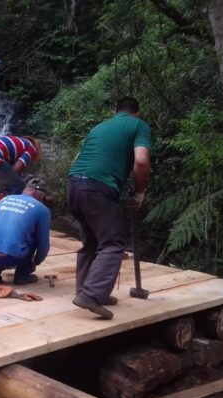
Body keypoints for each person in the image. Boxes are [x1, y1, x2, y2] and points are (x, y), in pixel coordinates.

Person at [67, 96, 152, 319]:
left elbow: (78, 157)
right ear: (137, 112)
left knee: (92, 241)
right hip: (98, 187)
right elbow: (141, 161)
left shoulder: (99, 126)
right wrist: (140, 190)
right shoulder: (139, 125)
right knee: (113, 244)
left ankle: (86, 290)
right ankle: (91, 295)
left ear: (115, 111)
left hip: (74, 184)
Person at [0, 177, 51, 285]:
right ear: (42, 196)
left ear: (24, 190)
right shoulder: (42, 209)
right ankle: (22, 275)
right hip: (11, 257)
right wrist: (35, 262)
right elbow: (44, 245)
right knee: (35, 235)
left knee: (3, 230)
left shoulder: (5, 199)